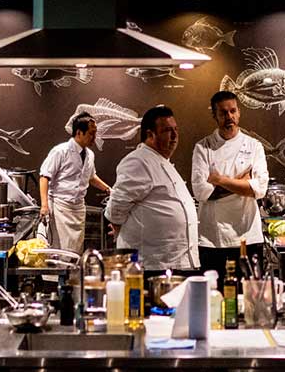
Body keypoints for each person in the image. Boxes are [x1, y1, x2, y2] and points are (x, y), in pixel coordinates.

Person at [105, 106, 199, 271]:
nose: (175, 136)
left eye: (176, 129)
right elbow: (116, 209)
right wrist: (123, 228)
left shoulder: (163, 161)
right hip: (152, 265)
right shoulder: (138, 161)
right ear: (150, 135)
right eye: (167, 131)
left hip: (175, 262)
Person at [191, 91, 268, 284]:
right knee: (214, 299)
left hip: (248, 237)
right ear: (215, 115)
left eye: (233, 111)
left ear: (239, 112)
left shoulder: (254, 146)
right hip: (212, 239)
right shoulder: (203, 147)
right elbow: (201, 191)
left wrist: (219, 179)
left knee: (249, 298)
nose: (229, 117)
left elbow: (259, 189)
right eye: (223, 113)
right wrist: (242, 183)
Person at [39, 113, 111, 253]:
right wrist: (44, 206)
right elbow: (44, 176)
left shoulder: (90, 154)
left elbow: (90, 177)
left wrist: (108, 189)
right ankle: (54, 276)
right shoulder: (60, 151)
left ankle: (71, 275)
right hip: (60, 207)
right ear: (79, 132)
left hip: (78, 209)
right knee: (57, 251)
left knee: (74, 251)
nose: (94, 138)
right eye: (91, 134)